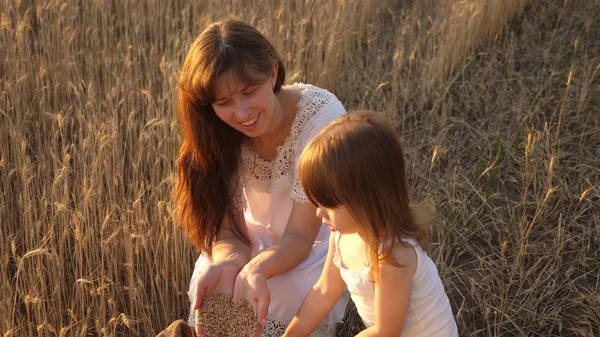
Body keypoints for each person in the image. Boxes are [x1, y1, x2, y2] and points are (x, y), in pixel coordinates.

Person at [174, 18, 349, 336]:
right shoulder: (215, 131)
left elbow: (300, 237)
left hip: (311, 242)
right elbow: (229, 233)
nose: (241, 113)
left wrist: (256, 268)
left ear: (272, 72)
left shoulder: (320, 119)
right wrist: (228, 263)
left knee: (293, 287)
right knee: (212, 276)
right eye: (224, 102)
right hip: (251, 236)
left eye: (248, 92)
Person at [282, 112, 459, 337]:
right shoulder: (342, 235)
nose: (319, 213)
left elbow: (387, 332)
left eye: (328, 204)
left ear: (366, 198)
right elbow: (325, 290)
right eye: (316, 202)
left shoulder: (393, 255)